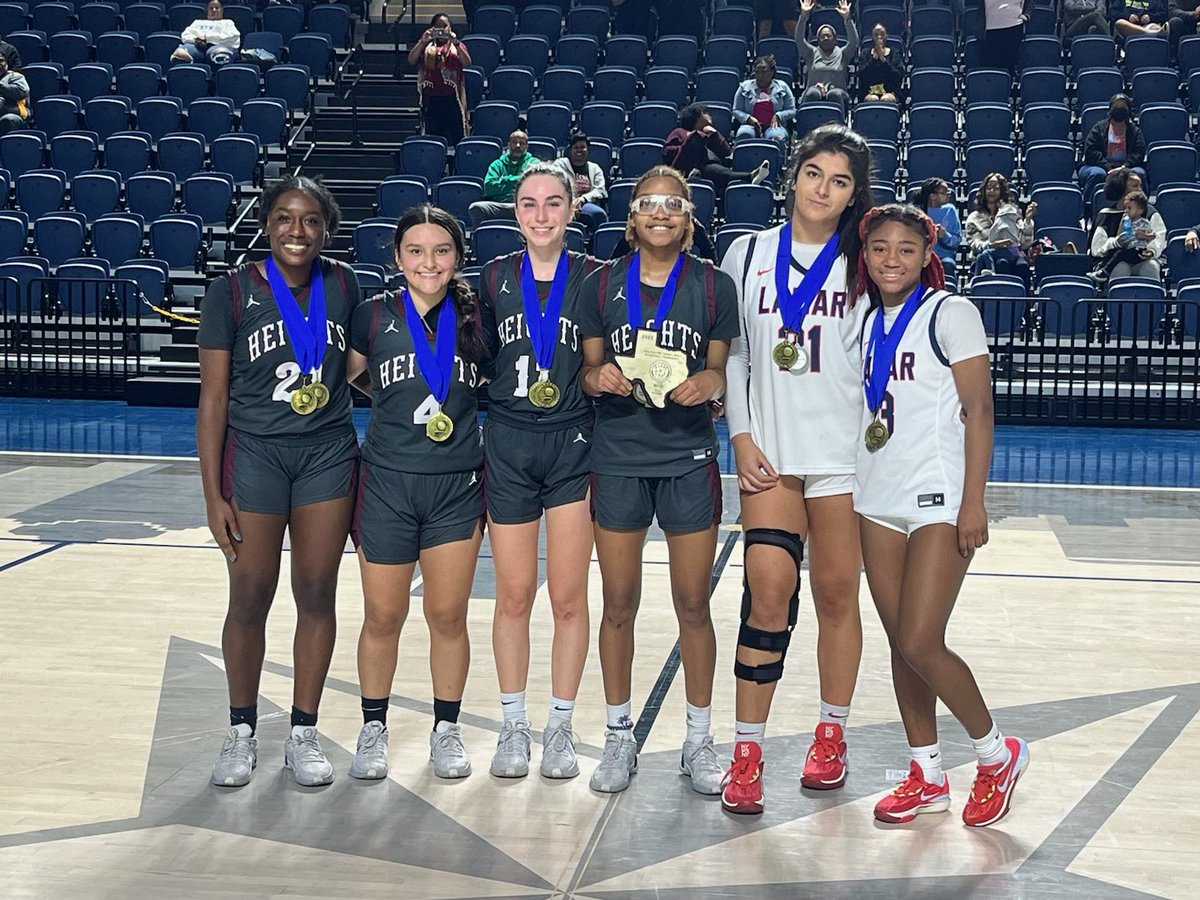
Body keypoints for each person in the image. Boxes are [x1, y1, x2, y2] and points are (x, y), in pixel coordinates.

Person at [854, 202, 1028, 827]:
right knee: (902, 646)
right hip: (876, 496)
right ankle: (926, 773)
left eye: (906, 248)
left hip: (938, 497)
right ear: (865, 253)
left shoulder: (951, 312)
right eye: (880, 247)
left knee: (922, 640)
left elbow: (979, 410)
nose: (892, 259)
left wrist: (973, 500)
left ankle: (996, 756)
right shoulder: (863, 318)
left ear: (928, 254)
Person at [718, 124, 874, 815]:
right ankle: (746, 750)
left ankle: (830, 736)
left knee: (838, 598)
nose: (823, 190)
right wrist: (740, 436)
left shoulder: (865, 260)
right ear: (794, 175)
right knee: (769, 592)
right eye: (814, 173)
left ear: (854, 194)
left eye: (840, 181)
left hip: (844, 458)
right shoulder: (747, 252)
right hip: (772, 455)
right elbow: (736, 354)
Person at [579, 165, 739, 796]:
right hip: (618, 456)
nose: (661, 213)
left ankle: (698, 740)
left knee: (693, 604)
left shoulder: (714, 285)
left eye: (673, 203)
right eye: (649, 203)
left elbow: (719, 371)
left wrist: (709, 383)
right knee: (618, 603)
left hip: (686, 458)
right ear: (632, 218)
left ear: (688, 217)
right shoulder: (600, 283)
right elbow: (588, 370)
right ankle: (619, 735)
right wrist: (599, 378)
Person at [196, 177, 361, 788]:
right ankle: (241, 731)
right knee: (250, 593)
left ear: (326, 230)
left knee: (317, 591)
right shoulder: (231, 291)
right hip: (256, 455)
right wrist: (212, 496)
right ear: (266, 223)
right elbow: (213, 400)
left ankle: (303, 733)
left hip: (327, 454)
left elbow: (358, 368)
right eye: (286, 218)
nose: (298, 230)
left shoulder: (344, 283)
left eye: (312, 220)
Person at [345, 205, 489, 782]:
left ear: (458, 257)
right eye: (416, 251)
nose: (429, 262)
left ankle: (446, 729)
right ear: (398, 257)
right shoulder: (372, 314)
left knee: (448, 615)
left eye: (441, 251)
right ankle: (373, 727)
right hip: (387, 482)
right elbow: (354, 374)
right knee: (383, 615)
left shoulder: (477, 316)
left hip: (456, 484)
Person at [478, 164, 598, 781]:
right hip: (509, 442)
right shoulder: (493, 277)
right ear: (515, 211)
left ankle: (560, 725)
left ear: (573, 209)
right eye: (529, 203)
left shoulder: (597, 279)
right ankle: (512, 724)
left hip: (573, 443)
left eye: (554, 203)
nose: (542, 214)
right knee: (515, 594)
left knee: (568, 597)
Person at [662, 103, 770, 194]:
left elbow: (727, 154)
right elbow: (667, 152)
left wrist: (715, 134)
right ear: (697, 117)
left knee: (714, 169)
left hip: (704, 169)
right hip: (683, 169)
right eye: (705, 114)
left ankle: (751, 176)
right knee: (695, 138)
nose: (709, 116)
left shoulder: (711, 135)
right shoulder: (680, 132)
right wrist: (690, 146)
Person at [408, 13, 472, 146]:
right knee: (433, 140)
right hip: (432, 99)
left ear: (450, 27)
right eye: (438, 26)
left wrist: (456, 43)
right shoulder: (427, 46)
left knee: (459, 138)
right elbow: (411, 60)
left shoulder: (457, 45)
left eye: (444, 26)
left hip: (453, 99)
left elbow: (467, 62)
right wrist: (422, 41)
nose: (441, 29)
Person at [964, 173, 1035, 288]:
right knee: (1002, 263)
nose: (992, 191)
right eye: (989, 187)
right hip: (985, 257)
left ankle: (1022, 299)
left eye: (996, 188)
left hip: (1012, 253)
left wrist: (1027, 220)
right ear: (983, 190)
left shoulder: (1011, 213)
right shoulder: (974, 218)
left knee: (1022, 266)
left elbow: (1024, 244)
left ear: (1002, 192)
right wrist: (992, 245)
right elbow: (974, 245)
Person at [1089, 178, 1166, 279]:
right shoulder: (1106, 215)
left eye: (1140, 186)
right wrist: (1115, 243)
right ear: (1120, 189)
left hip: (1143, 257)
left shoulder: (1151, 213)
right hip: (1115, 259)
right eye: (1135, 186)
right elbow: (1097, 249)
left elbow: (1159, 237)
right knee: (1121, 268)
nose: (1140, 190)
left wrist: (1152, 251)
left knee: (1151, 267)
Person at [1078, 94, 1147, 204]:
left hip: (1127, 167)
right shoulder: (1098, 128)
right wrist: (1107, 167)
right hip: (1099, 166)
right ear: (1110, 109)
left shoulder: (1135, 131)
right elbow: (1091, 151)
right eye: (1116, 107)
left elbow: (1138, 153)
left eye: (1122, 107)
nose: (1119, 109)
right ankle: (1088, 207)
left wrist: (1124, 167)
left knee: (1139, 173)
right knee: (1097, 174)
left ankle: (1141, 206)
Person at [795, 0, 857, 115]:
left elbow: (854, 42)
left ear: (835, 39)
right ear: (818, 40)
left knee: (834, 94)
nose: (826, 38)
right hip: (814, 91)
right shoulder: (811, 53)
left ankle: (838, 123)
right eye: (822, 36)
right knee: (813, 93)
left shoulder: (843, 54)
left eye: (829, 36)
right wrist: (803, 17)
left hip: (838, 94)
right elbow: (799, 39)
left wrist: (847, 19)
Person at [469, 130, 538, 228]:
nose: (518, 145)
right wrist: (519, 181)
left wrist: (503, 181)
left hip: (523, 206)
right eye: (514, 142)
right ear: (509, 145)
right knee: (475, 208)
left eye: (521, 143)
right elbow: (489, 188)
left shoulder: (534, 163)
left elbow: (534, 187)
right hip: (499, 206)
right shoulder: (497, 164)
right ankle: (483, 236)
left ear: (526, 146)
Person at [733, 55, 796, 154]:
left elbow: (792, 110)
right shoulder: (744, 87)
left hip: (774, 126)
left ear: (772, 72)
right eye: (757, 72)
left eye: (764, 72)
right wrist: (748, 118)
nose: (760, 75)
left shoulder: (782, 87)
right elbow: (736, 110)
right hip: (750, 125)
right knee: (744, 135)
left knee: (776, 138)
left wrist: (779, 116)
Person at [552, 131, 608, 236]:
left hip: (586, 204)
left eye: (582, 147)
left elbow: (600, 190)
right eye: (576, 147)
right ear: (571, 150)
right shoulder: (560, 165)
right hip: (564, 202)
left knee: (599, 214)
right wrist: (571, 201)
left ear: (588, 150)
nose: (579, 150)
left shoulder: (595, 168)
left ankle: (597, 245)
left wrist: (583, 199)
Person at [916, 177, 961, 286]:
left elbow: (956, 241)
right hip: (921, 255)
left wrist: (944, 236)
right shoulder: (917, 211)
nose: (948, 195)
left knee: (948, 264)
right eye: (945, 193)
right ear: (932, 196)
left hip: (943, 257)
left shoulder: (950, 210)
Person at [172, 0, 241, 66]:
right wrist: (196, 40)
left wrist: (207, 39)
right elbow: (185, 35)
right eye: (211, 8)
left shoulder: (228, 22)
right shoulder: (197, 22)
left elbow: (233, 36)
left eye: (217, 8)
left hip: (218, 46)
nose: (214, 10)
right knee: (180, 54)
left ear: (222, 11)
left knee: (220, 55)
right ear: (207, 11)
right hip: (196, 46)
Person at [978, 0, 1033, 73]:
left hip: (1014, 25)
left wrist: (1026, 14)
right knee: (990, 66)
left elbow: (1030, 2)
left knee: (1009, 66)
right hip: (989, 27)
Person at [856, 22, 903, 103]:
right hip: (869, 91)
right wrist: (874, 59)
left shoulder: (895, 53)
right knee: (873, 99)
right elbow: (862, 75)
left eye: (882, 34)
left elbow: (897, 76)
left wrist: (883, 60)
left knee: (886, 99)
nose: (879, 37)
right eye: (876, 34)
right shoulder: (865, 53)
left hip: (890, 91)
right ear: (872, 37)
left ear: (886, 35)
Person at [0, 50, 29, 135]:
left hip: (14, 114)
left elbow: (22, 91)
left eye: (1, 61)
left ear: (7, 63)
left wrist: (1, 86)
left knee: (9, 119)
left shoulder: (16, 76)